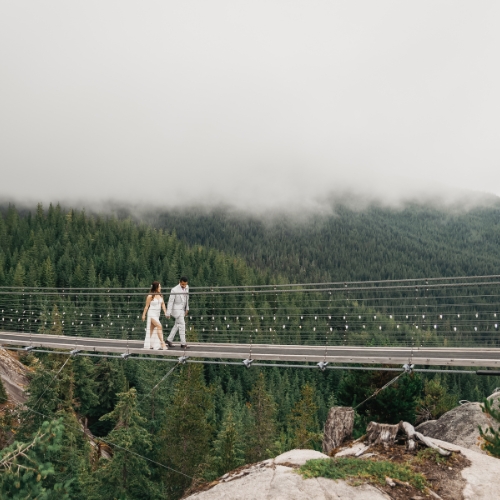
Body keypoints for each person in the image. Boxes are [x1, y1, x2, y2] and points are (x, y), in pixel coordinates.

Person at [142, 281, 168, 350]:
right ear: (155, 287)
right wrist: (144, 314)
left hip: (157, 314)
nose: (160, 288)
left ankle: (148, 343)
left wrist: (165, 312)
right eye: (159, 286)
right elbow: (146, 306)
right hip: (151, 313)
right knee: (159, 326)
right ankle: (162, 343)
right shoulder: (150, 296)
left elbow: (163, 304)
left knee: (151, 329)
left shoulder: (160, 295)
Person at [166, 277, 189, 348]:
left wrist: (187, 308)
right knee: (182, 325)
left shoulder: (187, 287)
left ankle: (169, 340)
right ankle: (183, 343)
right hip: (176, 310)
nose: (184, 286)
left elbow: (187, 298)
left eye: (185, 284)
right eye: (182, 284)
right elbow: (170, 301)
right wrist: (168, 312)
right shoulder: (174, 290)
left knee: (176, 325)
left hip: (182, 309)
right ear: (179, 282)